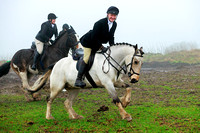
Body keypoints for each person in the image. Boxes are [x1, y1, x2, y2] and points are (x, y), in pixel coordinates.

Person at [74, 6, 119, 88]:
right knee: (87, 58)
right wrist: (101, 47)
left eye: (114, 16)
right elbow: (94, 37)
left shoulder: (114, 24)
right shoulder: (99, 23)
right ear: (107, 14)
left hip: (97, 43)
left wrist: (113, 47)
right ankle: (78, 79)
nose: (113, 17)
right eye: (111, 15)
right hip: (88, 42)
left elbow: (111, 36)